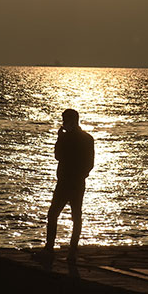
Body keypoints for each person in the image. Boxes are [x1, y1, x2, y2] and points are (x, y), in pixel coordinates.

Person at [44, 108, 95, 259]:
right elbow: (90, 163)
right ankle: (73, 250)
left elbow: (58, 156)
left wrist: (60, 138)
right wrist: (82, 175)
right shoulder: (88, 138)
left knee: (53, 214)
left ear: (70, 121)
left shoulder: (66, 138)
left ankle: (49, 248)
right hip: (78, 182)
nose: (63, 123)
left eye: (65, 120)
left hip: (65, 181)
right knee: (76, 215)